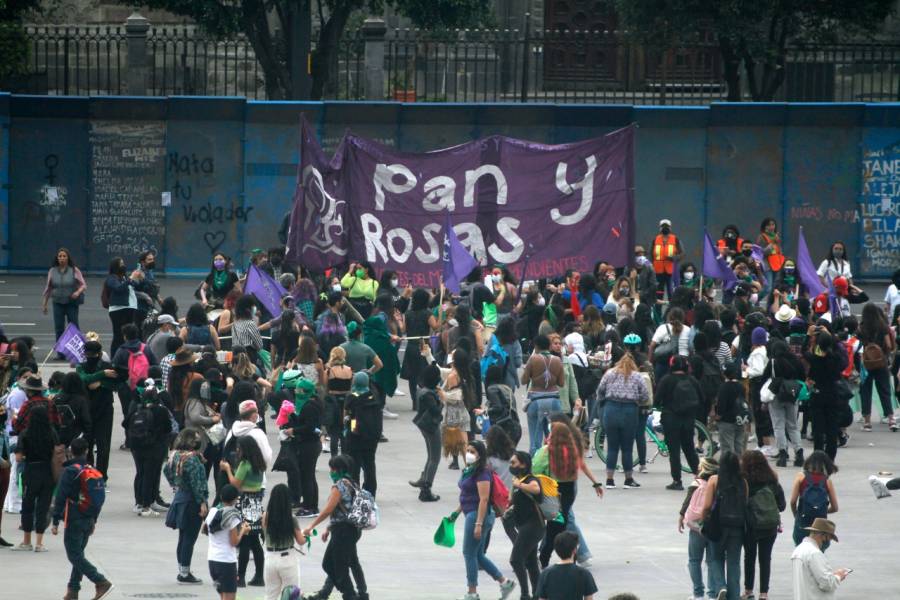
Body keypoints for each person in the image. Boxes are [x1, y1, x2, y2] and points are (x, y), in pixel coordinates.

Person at [449, 440, 517, 600]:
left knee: (468, 554)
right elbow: (467, 494)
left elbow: (484, 499)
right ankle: (504, 582)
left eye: (472, 451)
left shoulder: (483, 473)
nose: (469, 454)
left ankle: (472, 593)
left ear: (480, 454)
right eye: (468, 450)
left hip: (478, 515)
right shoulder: (469, 470)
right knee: (478, 554)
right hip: (471, 513)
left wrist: (478, 524)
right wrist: (457, 512)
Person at [50, 438, 114, 600]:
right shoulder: (91, 470)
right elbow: (97, 498)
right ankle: (73, 590)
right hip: (88, 517)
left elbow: (61, 497)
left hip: (74, 518)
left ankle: (100, 581)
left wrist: (56, 520)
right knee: (79, 555)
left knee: (74, 555)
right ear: (86, 451)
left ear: (71, 451)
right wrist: (94, 519)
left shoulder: (70, 471)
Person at [534, 422, 603, 568]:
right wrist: (596, 483)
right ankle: (571, 556)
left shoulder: (548, 450)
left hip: (552, 490)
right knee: (562, 523)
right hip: (569, 490)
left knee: (554, 527)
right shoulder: (573, 450)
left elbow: (536, 468)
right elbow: (582, 465)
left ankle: (546, 557)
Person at [301, 454, 370, 600]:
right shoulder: (352, 483)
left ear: (338, 469)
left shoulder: (339, 485)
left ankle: (350, 594)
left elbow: (328, 509)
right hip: (351, 529)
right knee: (346, 562)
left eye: (332, 468)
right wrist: (329, 528)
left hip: (343, 531)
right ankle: (356, 594)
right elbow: (343, 509)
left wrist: (312, 525)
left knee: (333, 564)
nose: (331, 471)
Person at [596, 352, 649, 489]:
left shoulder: (609, 373)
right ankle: (628, 479)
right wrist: (637, 401)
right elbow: (645, 395)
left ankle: (609, 480)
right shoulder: (637, 376)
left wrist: (604, 401)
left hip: (611, 409)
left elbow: (600, 390)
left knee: (612, 447)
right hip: (630, 411)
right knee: (627, 448)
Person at [220, 435, 267, 587]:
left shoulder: (245, 464)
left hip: (244, 502)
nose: (237, 450)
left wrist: (227, 469)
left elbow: (235, 484)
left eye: (239, 448)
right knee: (255, 542)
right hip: (256, 503)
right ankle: (259, 576)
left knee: (245, 541)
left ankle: (240, 577)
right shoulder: (259, 464)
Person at [164, 428, 210, 584]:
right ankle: (185, 573)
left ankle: (182, 569)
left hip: (180, 498)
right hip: (192, 501)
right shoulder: (192, 460)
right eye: (196, 438)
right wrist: (203, 502)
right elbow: (197, 484)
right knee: (190, 538)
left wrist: (175, 484)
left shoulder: (175, 455)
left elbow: (166, 470)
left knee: (183, 537)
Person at [701, 451, 747, 600]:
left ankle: (720, 587)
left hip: (718, 525)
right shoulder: (743, 482)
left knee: (715, 558)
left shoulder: (715, 480)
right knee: (734, 562)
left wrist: (704, 521)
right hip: (737, 527)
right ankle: (734, 596)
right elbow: (745, 504)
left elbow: (707, 505)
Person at [10, 405, 58, 552]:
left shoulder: (25, 433)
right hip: (47, 472)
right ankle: (39, 543)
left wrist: (27, 455)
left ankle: (26, 541)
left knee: (28, 506)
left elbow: (18, 458)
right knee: (43, 508)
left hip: (30, 471)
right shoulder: (52, 433)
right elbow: (56, 453)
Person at [741, 450, 786, 600]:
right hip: (769, 525)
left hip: (751, 525)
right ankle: (764, 593)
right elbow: (782, 505)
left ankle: (748, 591)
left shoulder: (744, 480)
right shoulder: (772, 480)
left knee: (749, 557)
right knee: (765, 559)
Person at [126, 380, 173, 517]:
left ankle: (139, 503)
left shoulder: (137, 408)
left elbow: (126, 423)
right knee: (149, 474)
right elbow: (168, 428)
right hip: (154, 447)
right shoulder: (161, 410)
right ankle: (147, 504)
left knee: (140, 473)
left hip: (137, 447)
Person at [504, 450, 546, 600]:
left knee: (516, 560)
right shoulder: (517, 480)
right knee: (531, 561)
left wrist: (519, 485)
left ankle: (525, 594)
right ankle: (537, 594)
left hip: (533, 526)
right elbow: (513, 500)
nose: (511, 465)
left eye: (514, 462)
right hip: (525, 526)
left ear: (523, 464)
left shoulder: (530, 479)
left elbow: (536, 489)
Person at [655, 356, 702, 490]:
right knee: (690, 449)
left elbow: (657, 400)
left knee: (674, 451)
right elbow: (701, 398)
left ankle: (677, 481)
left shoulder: (666, 380)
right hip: (688, 420)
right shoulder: (692, 380)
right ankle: (699, 477)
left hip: (671, 419)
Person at [678, 457, 720, 600]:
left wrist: (681, 517)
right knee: (712, 561)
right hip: (713, 526)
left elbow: (687, 502)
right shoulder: (717, 483)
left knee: (694, 560)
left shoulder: (696, 483)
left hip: (696, 527)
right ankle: (712, 593)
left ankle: (698, 593)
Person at [281, 378, 323, 517]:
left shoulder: (309, 406)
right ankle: (312, 505)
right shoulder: (312, 402)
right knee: (309, 476)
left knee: (307, 476)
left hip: (308, 445)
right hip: (311, 443)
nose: (296, 392)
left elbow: (309, 427)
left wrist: (294, 431)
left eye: (299, 390)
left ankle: (309, 506)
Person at [804, 330, 848, 460]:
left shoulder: (815, 359)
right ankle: (831, 456)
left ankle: (818, 455)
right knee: (832, 427)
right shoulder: (835, 359)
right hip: (833, 393)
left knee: (818, 427)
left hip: (818, 394)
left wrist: (808, 336)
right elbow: (843, 356)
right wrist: (831, 336)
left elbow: (803, 351)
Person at [77, 341, 117, 480]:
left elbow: (115, 384)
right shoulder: (85, 367)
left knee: (101, 444)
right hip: (90, 409)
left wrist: (100, 383)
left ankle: (99, 474)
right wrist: (102, 374)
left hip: (102, 409)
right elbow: (83, 379)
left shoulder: (107, 367)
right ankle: (93, 473)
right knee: (91, 443)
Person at [204, 484, 251, 600]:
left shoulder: (213, 511)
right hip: (226, 561)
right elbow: (234, 542)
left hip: (212, 560)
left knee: (223, 596)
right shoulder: (233, 516)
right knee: (229, 597)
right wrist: (243, 531)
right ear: (235, 499)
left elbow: (204, 529)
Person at [765, 340, 806, 467]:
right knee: (792, 425)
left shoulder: (773, 362)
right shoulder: (795, 361)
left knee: (778, 425)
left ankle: (782, 453)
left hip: (776, 395)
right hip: (792, 395)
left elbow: (764, 377)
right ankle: (799, 453)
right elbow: (802, 377)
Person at [522, 334, 565, 454]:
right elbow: (561, 383)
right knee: (555, 439)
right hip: (554, 400)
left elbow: (524, 380)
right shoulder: (557, 360)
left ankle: (535, 466)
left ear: (536, 346)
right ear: (549, 346)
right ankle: (555, 464)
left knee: (535, 441)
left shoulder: (533, 359)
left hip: (536, 399)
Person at [261, 483, 305, 600]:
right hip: (287, 558)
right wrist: (306, 535)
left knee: (270, 594)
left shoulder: (265, 516)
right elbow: (300, 541)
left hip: (270, 557)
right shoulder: (291, 518)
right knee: (291, 594)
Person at [858, 302, 896, 431]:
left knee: (866, 391)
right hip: (881, 362)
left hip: (866, 363)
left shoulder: (861, 327)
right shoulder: (883, 326)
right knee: (884, 390)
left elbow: (858, 346)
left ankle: (867, 422)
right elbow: (890, 345)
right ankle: (891, 419)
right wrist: (884, 354)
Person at [42, 247, 86, 357]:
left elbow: (83, 285)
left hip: (71, 302)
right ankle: (61, 353)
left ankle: (78, 352)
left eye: (64, 256)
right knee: (59, 327)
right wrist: (45, 304)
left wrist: (77, 292)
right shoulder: (52, 271)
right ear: (57, 258)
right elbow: (49, 288)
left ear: (68, 258)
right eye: (60, 256)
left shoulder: (74, 270)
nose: (62, 258)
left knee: (74, 327)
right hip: (57, 302)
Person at [790, 450, 839, 548]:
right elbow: (835, 508)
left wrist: (797, 514)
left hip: (803, 519)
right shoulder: (827, 481)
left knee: (801, 549)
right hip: (820, 523)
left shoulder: (801, 477)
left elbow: (793, 501)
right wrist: (821, 510)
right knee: (819, 551)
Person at [791, 518, 849, 600]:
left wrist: (831, 575)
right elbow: (827, 584)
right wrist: (838, 576)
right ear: (822, 535)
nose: (828, 542)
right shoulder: (815, 553)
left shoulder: (798, 550)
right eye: (829, 538)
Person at [344, 372, 382, 496]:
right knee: (369, 464)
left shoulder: (352, 397)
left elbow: (349, 416)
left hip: (356, 435)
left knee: (354, 466)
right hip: (372, 436)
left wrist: (348, 430)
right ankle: (370, 491)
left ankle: (354, 491)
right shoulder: (374, 396)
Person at [410, 363, 443, 502]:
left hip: (423, 425)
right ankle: (426, 488)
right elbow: (436, 410)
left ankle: (424, 479)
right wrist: (441, 400)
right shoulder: (429, 394)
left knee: (430, 455)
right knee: (435, 458)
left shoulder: (421, 390)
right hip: (431, 426)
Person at [535, 531, 598, 600]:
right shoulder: (584, 573)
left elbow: (542, 598)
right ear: (575, 550)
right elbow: (589, 598)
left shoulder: (546, 573)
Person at [104, 256, 140, 356]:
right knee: (118, 336)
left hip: (129, 308)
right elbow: (118, 288)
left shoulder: (124, 277)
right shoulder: (111, 278)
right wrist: (131, 278)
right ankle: (114, 357)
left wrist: (137, 279)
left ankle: (125, 356)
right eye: (121, 264)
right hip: (118, 310)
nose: (123, 266)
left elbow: (136, 286)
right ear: (116, 266)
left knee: (128, 335)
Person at [323, 346, 353, 456]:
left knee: (334, 433)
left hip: (332, 402)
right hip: (346, 402)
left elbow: (325, 388)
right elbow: (351, 388)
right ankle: (345, 457)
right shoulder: (349, 370)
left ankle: (334, 460)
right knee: (344, 431)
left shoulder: (329, 371)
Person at [715, 361, 749, 456]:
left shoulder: (723, 387)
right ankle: (739, 466)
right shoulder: (741, 386)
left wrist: (717, 417)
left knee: (727, 447)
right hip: (740, 419)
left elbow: (721, 406)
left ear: (724, 373)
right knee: (739, 446)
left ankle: (729, 468)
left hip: (726, 421)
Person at [649, 307, 690, 382]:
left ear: (669, 316)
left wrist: (650, 362)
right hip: (682, 364)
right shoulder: (687, 329)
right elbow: (690, 347)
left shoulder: (662, 328)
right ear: (683, 317)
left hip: (664, 363)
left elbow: (652, 345)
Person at [54, 371, 92, 447]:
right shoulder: (81, 400)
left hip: (59, 435)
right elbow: (86, 420)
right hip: (76, 436)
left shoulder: (57, 398)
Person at [651, 218, 684, 303]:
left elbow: (682, 253)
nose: (665, 228)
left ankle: (671, 311)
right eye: (663, 226)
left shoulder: (675, 239)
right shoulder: (655, 239)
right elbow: (651, 254)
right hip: (658, 272)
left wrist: (674, 258)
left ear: (670, 228)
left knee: (671, 293)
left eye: (667, 226)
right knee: (658, 294)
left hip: (670, 271)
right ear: (660, 228)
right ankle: (658, 313)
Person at [756, 218, 785, 294]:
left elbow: (779, 251)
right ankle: (755, 300)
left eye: (773, 224)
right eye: (769, 225)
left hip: (777, 264)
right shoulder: (762, 237)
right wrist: (772, 243)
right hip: (767, 265)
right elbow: (761, 253)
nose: (771, 226)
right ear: (765, 227)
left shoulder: (776, 237)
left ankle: (770, 305)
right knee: (768, 288)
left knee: (774, 288)